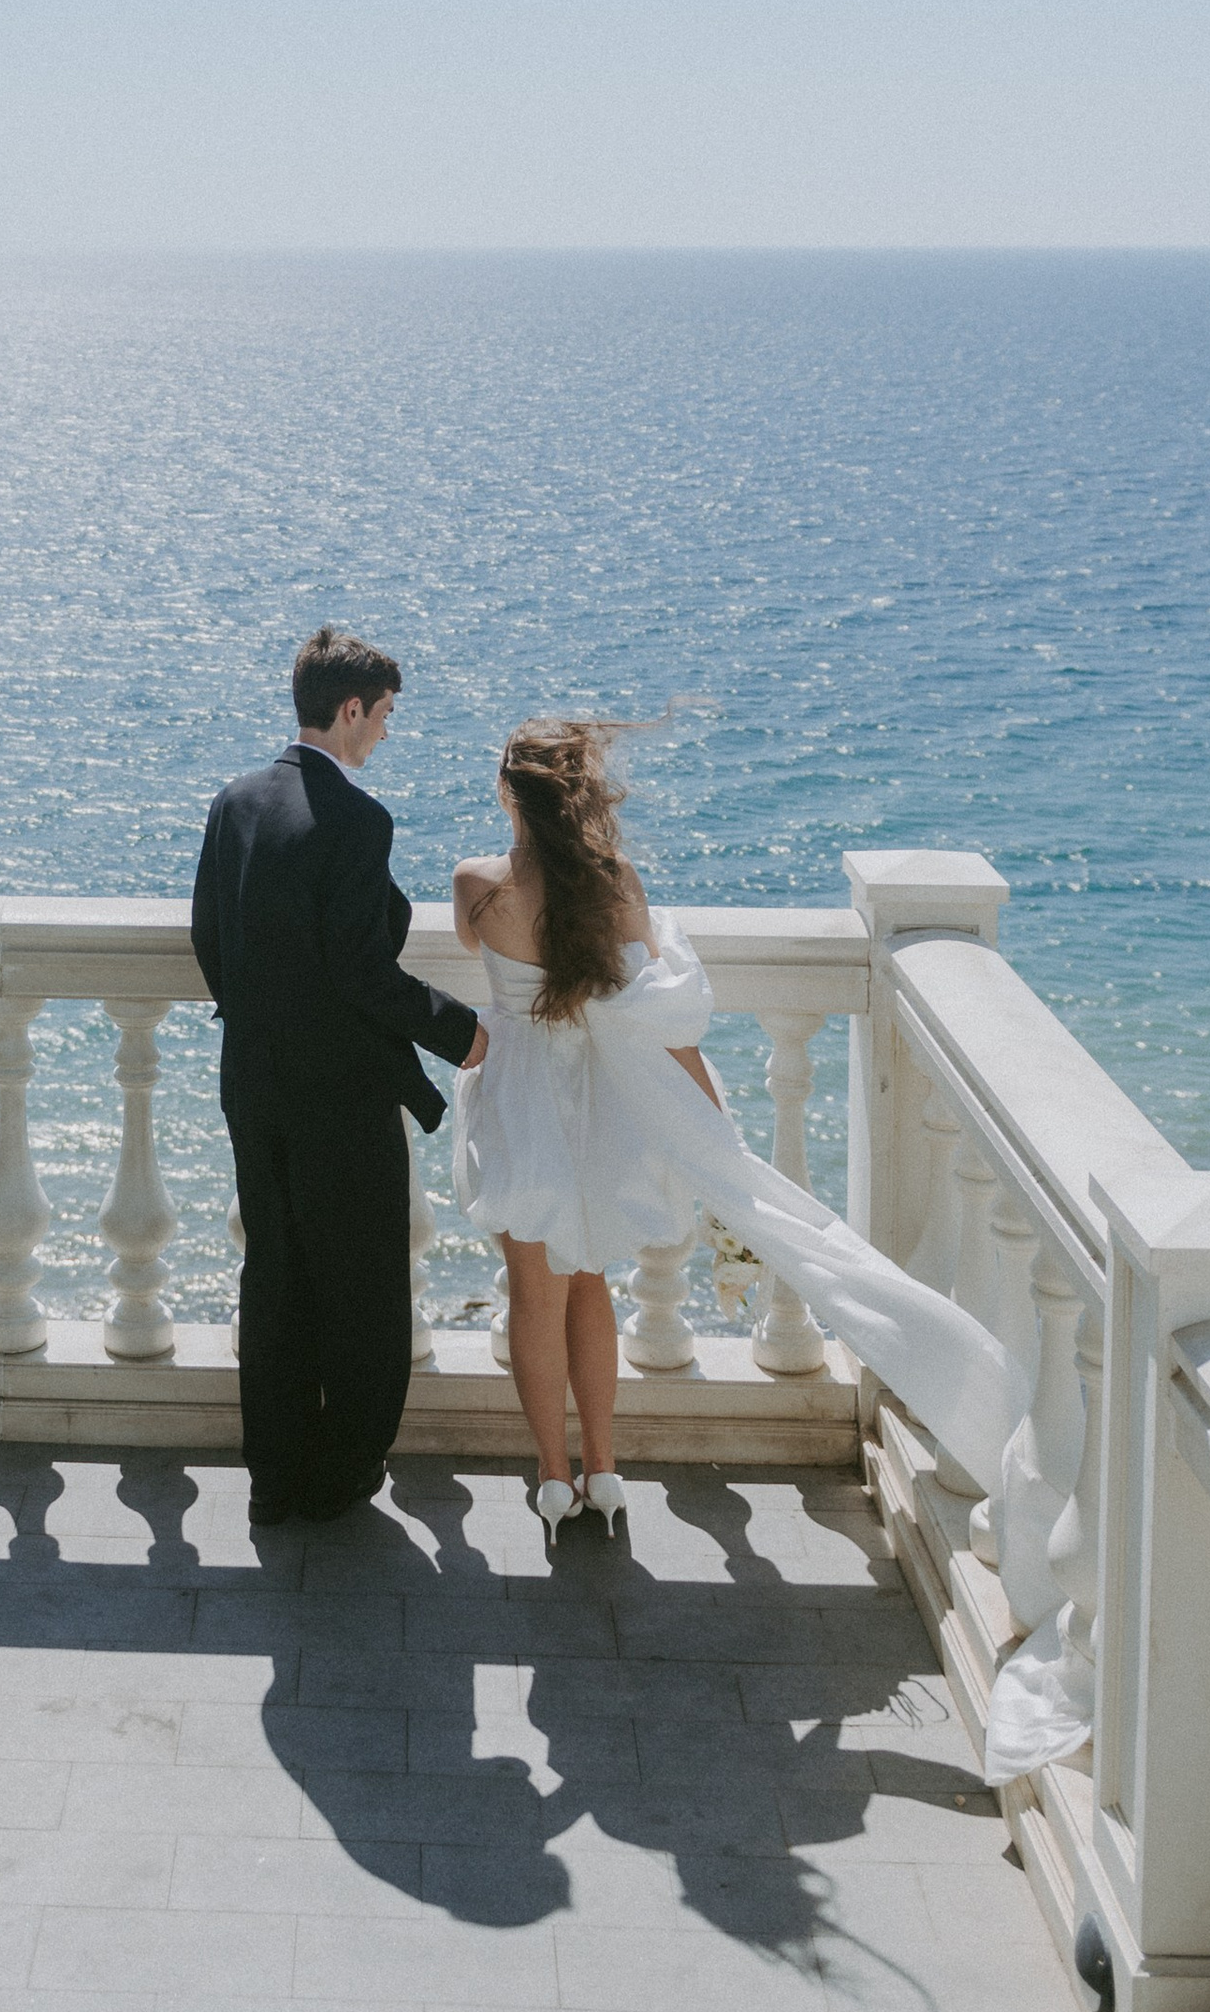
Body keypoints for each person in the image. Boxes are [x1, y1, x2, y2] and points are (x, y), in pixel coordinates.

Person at [454, 715, 1019, 1544]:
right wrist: (715, 1135)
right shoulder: (617, 887)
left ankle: (551, 1476)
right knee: (590, 1285)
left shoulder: (478, 884)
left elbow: (477, 953)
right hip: (608, 1105)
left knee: (533, 1290)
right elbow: (664, 1026)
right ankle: (604, 1467)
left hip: (520, 1101)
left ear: (508, 795)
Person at [192, 626, 482, 1526]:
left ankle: (275, 1474)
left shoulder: (235, 801)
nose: (386, 735)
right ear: (350, 710)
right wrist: (465, 1035)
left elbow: (212, 938)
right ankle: (347, 1466)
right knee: (361, 1283)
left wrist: (263, 1023)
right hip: (341, 1097)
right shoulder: (358, 822)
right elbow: (365, 974)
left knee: (275, 1273)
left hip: (253, 1080)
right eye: (385, 716)